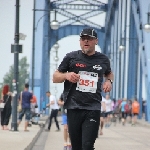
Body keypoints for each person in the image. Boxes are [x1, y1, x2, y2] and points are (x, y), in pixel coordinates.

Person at [53, 28, 114, 150]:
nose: (86, 41)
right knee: (76, 146)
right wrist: (66, 75)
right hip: (74, 107)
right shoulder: (71, 58)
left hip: (93, 107)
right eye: (83, 39)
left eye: (89, 39)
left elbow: (109, 73)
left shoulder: (103, 59)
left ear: (96, 41)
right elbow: (55, 77)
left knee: (87, 145)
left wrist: (109, 81)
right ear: (80, 41)